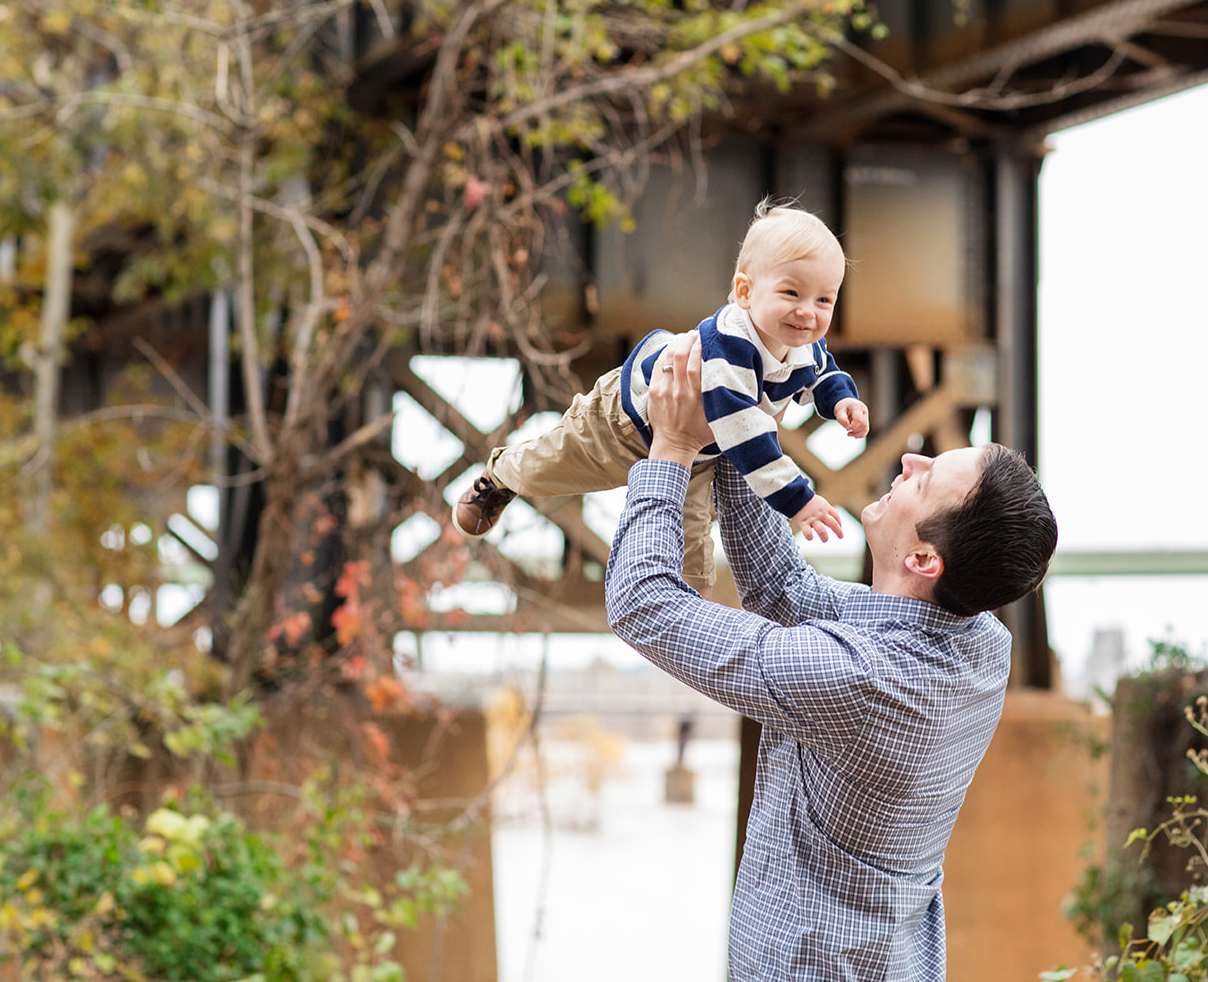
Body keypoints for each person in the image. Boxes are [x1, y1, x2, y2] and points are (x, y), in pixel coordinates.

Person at [604, 335, 1058, 981]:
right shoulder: (982, 647)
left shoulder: (859, 679)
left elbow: (643, 604)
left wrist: (673, 449)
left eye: (926, 479)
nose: (907, 458)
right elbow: (788, 593)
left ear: (926, 560)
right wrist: (745, 429)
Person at [452, 199, 871, 593]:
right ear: (745, 293)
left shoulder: (800, 342)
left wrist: (840, 401)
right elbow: (747, 437)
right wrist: (799, 501)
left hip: (696, 457)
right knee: (548, 467)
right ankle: (499, 478)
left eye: (824, 300)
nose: (808, 312)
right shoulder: (731, 346)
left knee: (691, 555)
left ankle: (692, 620)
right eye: (791, 294)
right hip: (625, 422)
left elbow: (821, 369)